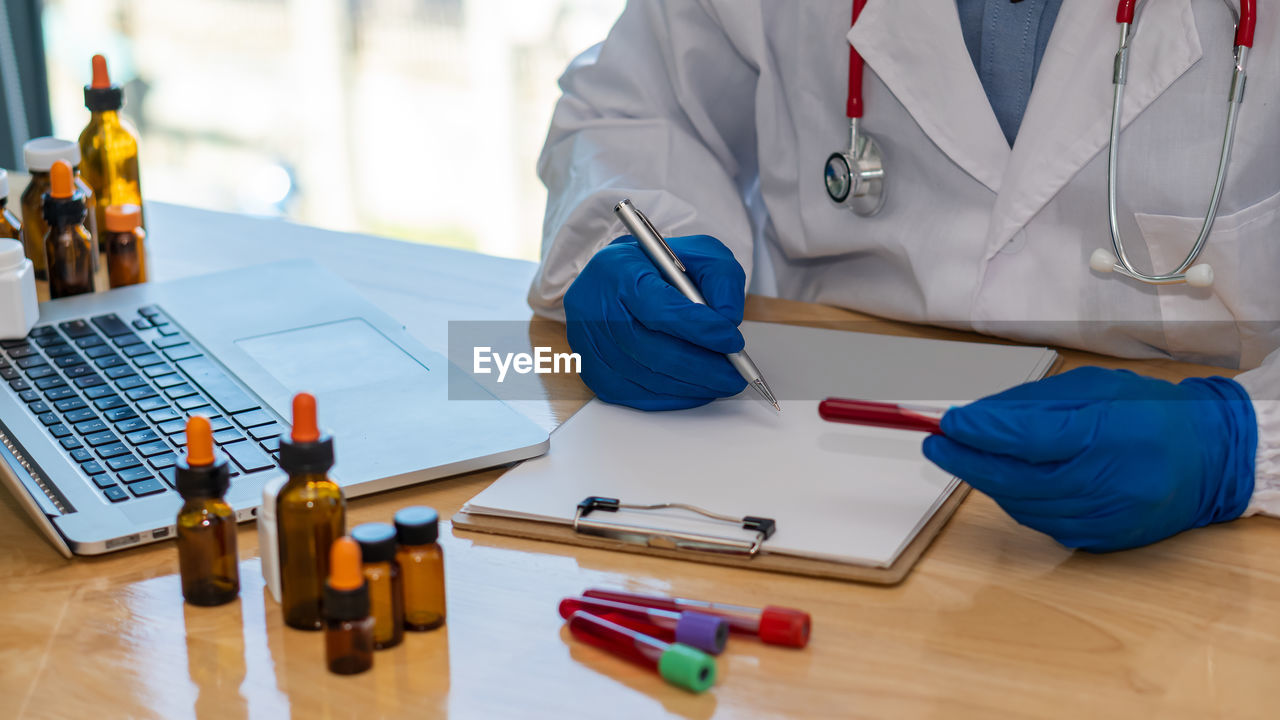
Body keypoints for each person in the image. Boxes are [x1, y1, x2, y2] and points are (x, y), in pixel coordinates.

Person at [528, 0, 1280, 552]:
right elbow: (634, 108)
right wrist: (630, 246)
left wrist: (1241, 443)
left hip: (1202, 535)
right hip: (804, 478)